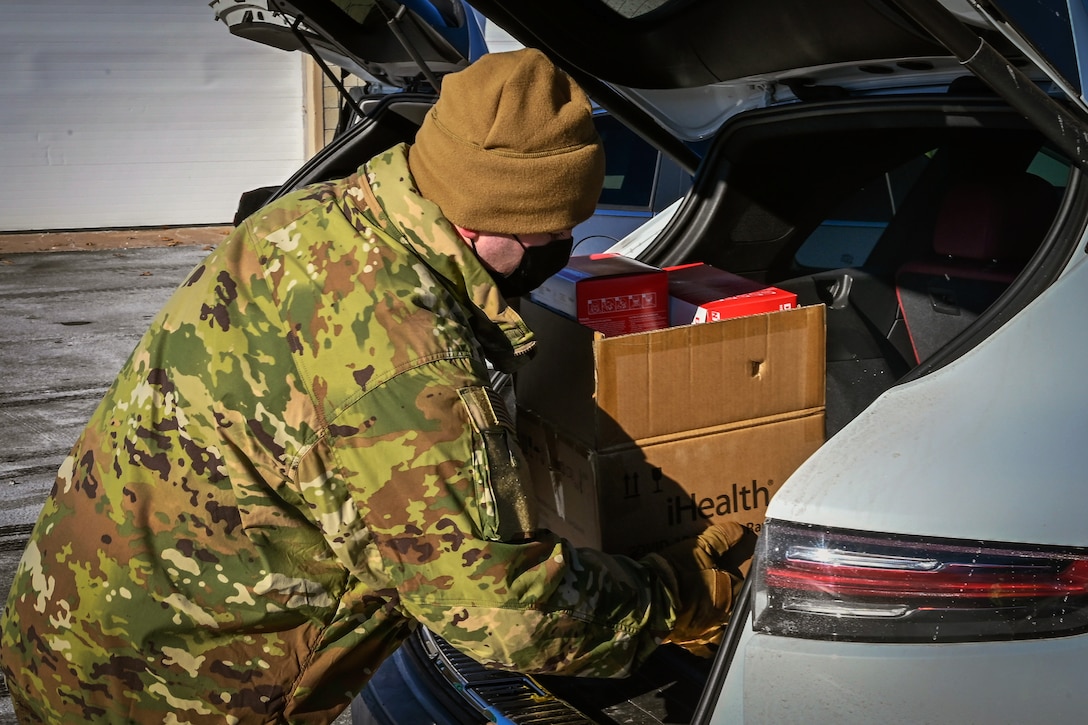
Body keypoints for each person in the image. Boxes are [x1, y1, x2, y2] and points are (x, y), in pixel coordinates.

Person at [0, 48, 744, 723]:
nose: (563, 248)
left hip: (66, 627)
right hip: (165, 693)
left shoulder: (311, 220)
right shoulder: (408, 366)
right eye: (549, 231)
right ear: (487, 212)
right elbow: (500, 612)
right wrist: (679, 592)